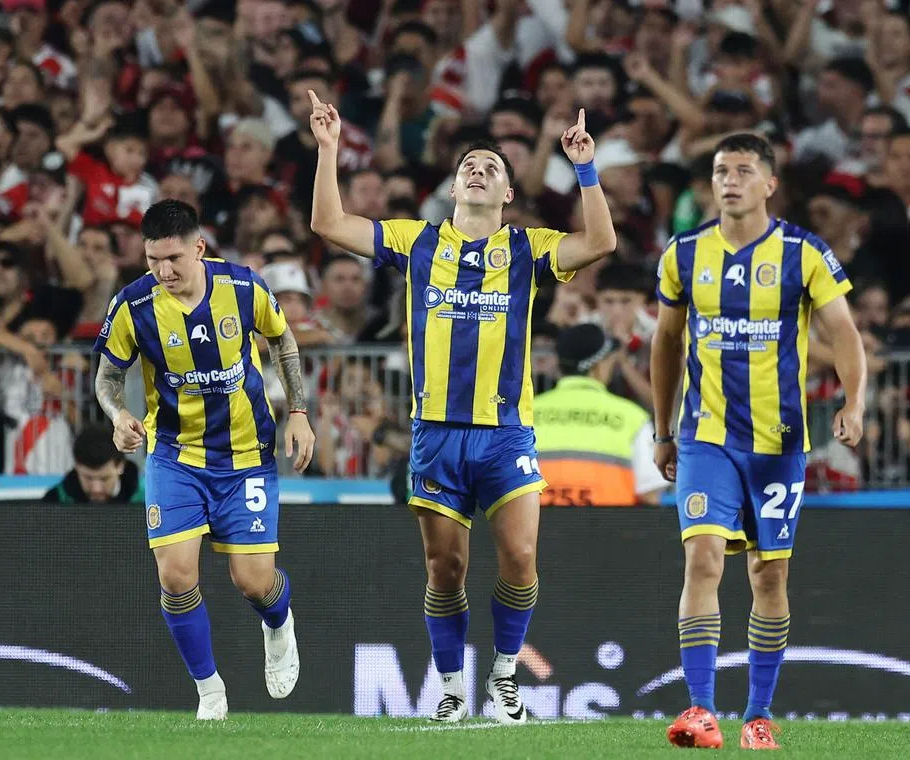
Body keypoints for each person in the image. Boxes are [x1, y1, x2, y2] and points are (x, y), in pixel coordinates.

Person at [308, 90, 617, 724]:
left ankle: (504, 681)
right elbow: (330, 225)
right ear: (454, 188)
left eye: (492, 168)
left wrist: (586, 169)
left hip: (506, 432)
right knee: (445, 569)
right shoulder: (416, 241)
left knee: (522, 558)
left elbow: (600, 242)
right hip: (437, 434)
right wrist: (330, 148)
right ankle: (451, 686)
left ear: (507, 194)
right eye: (469, 165)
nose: (478, 170)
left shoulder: (529, 250)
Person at [650, 133, 867, 750]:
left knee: (768, 576)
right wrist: (663, 430)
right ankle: (699, 710)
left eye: (744, 170)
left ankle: (759, 715)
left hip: (778, 443)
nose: (730, 180)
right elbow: (665, 344)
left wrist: (856, 400)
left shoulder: (804, 253)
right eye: (721, 170)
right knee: (703, 558)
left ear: (770, 183)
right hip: (705, 438)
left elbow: (845, 335)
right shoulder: (684, 254)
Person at [92, 200, 316, 720]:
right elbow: (105, 378)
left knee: (253, 582)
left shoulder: (243, 288)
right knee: (175, 575)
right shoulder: (132, 307)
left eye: (173, 258)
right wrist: (119, 414)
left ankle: (278, 621)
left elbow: (282, 339)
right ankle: (209, 690)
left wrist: (299, 411)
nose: (163, 271)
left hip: (246, 456)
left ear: (199, 248)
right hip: (175, 456)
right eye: (152, 260)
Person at [533, 323, 668, 506]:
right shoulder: (633, 418)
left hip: (538, 527)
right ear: (598, 365)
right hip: (610, 529)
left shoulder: (528, 413)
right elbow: (650, 494)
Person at [42, 423, 145, 504]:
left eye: (104, 478)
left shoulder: (148, 498)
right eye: (88, 478)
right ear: (76, 466)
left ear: (120, 466)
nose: (96, 489)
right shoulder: (54, 502)